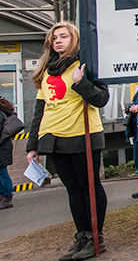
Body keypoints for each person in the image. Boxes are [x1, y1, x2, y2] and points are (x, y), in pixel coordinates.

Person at [25, 22, 110, 260]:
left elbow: (101, 99)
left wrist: (81, 82)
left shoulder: (85, 65)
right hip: (53, 137)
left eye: (63, 36)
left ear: (74, 39)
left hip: (82, 135)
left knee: (89, 187)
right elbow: (39, 111)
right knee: (73, 189)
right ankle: (82, 235)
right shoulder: (47, 70)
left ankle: (95, 238)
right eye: (54, 38)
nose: (58, 41)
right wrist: (32, 146)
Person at [0, 96, 15, 210]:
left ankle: (7, 196)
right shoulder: (4, 111)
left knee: (2, 173)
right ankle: (4, 195)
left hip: (2, 148)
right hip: (4, 146)